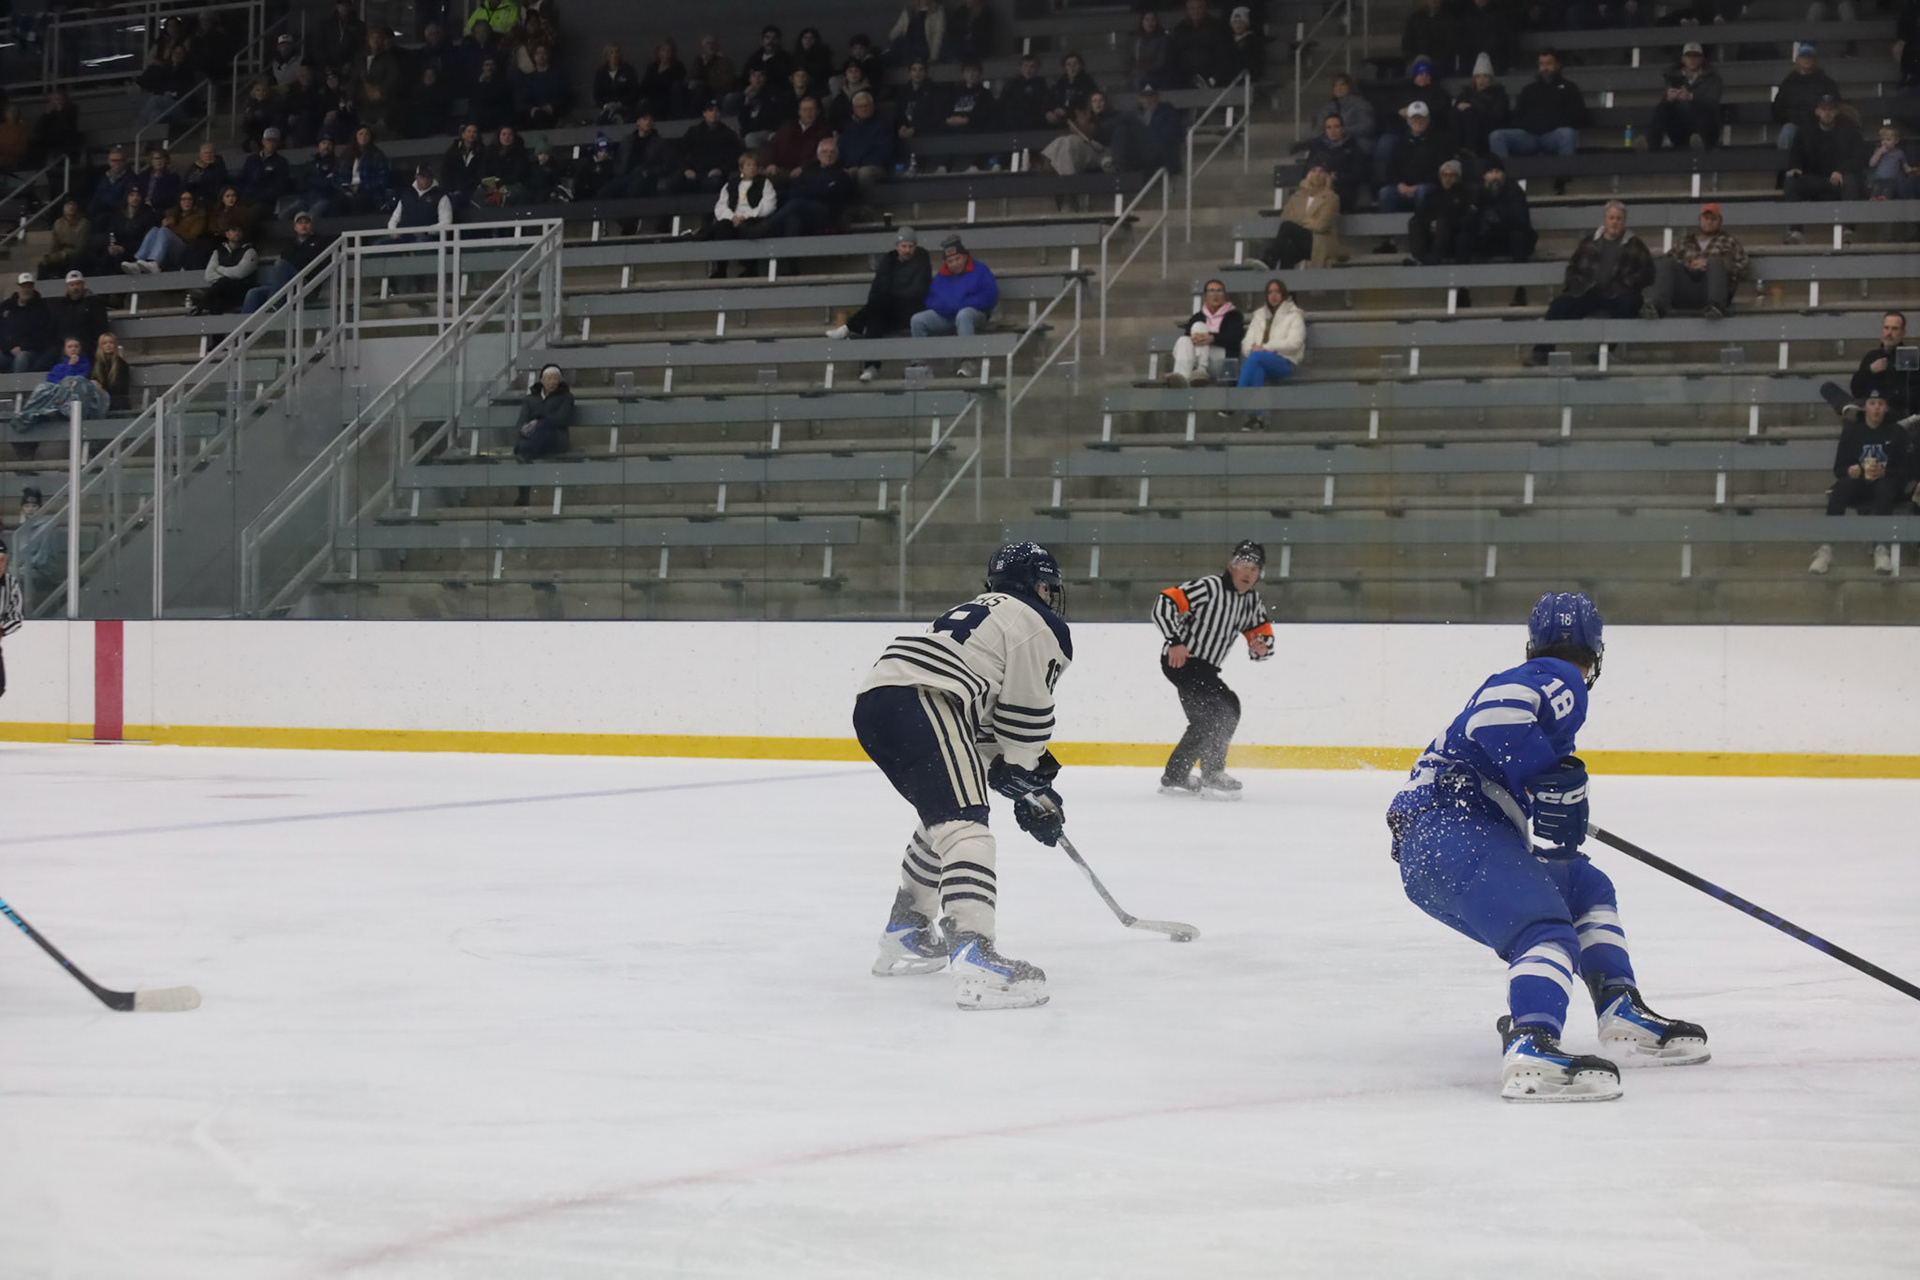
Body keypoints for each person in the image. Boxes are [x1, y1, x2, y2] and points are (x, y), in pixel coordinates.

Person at [1386, 592, 1709, 1102]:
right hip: (1452, 830)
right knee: (1547, 931)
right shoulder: (1559, 676)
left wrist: (1552, 802)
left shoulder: (1540, 677)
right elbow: (1495, 716)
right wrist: (1546, 775)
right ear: (1595, 652)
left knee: (1581, 885)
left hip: (1441, 844)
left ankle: (1620, 1007)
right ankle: (1533, 1044)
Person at [853, 541, 1072, 1010]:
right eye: (1046, 586)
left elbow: (982, 721)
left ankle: (908, 930)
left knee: (944, 818)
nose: (1049, 595)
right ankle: (976, 956)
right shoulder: (1038, 623)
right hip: (924, 701)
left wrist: (1028, 785)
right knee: (967, 830)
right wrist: (1029, 782)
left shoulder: (974, 612)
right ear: (1037, 584)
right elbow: (1024, 720)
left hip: (877, 702)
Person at [1154, 540, 1273, 799]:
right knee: (1219, 712)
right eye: (1243, 566)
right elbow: (1164, 603)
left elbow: (1263, 636)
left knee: (1218, 712)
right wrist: (1175, 641)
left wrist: (1261, 646)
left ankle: (1179, 774)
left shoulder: (1251, 602)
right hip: (1183, 662)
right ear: (1231, 566)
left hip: (1206, 669)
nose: (1248, 573)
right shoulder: (1209, 587)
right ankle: (1210, 772)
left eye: (1254, 569)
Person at [1529, 201, 1654, 366]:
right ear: (1605, 220)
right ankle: (1541, 351)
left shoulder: (1636, 245)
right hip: (1587, 292)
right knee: (1560, 305)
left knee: (1632, 302)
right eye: (1611, 218)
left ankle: (1604, 350)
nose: (1615, 222)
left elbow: (1648, 273)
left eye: (1619, 218)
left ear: (1624, 221)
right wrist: (1576, 284)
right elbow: (1573, 267)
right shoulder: (1589, 242)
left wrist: (1628, 283)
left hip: (1619, 294)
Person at [1809, 389, 1910, 575]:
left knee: (1885, 488)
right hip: (1860, 482)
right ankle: (1826, 549)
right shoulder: (1852, 432)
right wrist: (1849, 471)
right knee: (1840, 488)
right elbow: (1839, 468)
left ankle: (1881, 548)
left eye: (1880, 404)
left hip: (1887, 483)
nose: (1876, 408)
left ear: (1886, 408)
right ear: (1865, 407)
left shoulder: (1897, 432)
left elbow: (1905, 470)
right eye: (1872, 404)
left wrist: (1886, 472)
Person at [829, 226, 932, 381]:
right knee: (875, 318)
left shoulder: (922, 258)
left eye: (911, 246)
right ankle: (871, 367)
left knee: (880, 303)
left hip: (912, 311)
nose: (907, 250)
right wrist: (888, 296)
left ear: (916, 246)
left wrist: (891, 294)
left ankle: (849, 327)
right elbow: (878, 287)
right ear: (897, 246)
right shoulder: (889, 259)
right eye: (904, 246)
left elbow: (917, 290)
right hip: (889, 310)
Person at [912, 234, 998, 378]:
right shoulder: (942, 276)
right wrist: (949, 307)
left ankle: (968, 362)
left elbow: (990, 296)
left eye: (957, 259)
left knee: (964, 314)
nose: (954, 264)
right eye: (950, 261)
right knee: (917, 320)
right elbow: (931, 300)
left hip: (974, 314)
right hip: (947, 316)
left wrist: (960, 305)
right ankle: (918, 366)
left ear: (965, 257)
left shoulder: (980, 270)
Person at [1782, 95, 1866, 239]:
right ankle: (1795, 231)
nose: (1827, 113)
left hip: (1839, 180)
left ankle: (1848, 230)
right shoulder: (1805, 131)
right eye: (1824, 109)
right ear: (1817, 111)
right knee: (1791, 182)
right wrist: (1795, 167)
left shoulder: (1849, 130)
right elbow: (1796, 154)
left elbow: (1858, 158)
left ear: (1836, 111)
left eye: (1831, 109)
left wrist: (1841, 170)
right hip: (1814, 179)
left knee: (1850, 181)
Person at [1646, 203, 1745, 319]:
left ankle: (1716, 307)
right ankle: (1657, 307)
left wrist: (1712, 264)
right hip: (1686, 288)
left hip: (1714, 288)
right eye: (1706, 218)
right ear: (1700, 220)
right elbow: (1668, 262)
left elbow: (1742, 265)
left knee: (1715, 262)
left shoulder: (1729, 242)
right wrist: (1688, 265)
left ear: (1720, 222)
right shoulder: (1684, 242)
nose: (1709, 222)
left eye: (1714, 219)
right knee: (1666, 263)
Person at [1489, 50, 1588, 165]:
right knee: (1497, 136)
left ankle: (1565, 173)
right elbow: (1518, 116)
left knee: (1567, 134)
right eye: (1542, 64)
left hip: (1554, 135)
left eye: (1549, 63)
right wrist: (1531, 124)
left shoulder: (1569, 88)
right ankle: (1502, 173)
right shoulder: (1529, 90)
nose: (1545, 68)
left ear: (1557, 65)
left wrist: (1551, 122)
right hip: (1529, 135)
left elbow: (1579, 115)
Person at [758, 137, 856, 243]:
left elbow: (826, 193)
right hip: (805, 210)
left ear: (836, 156)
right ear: (818, 155)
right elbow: (796, 188)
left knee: (796, 204)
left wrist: (807, 191)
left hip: (827, 213)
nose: (828, 155)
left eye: (832, 152)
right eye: (825, 152)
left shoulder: (841, 175)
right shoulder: (809, 170)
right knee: (793, 217)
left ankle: (763, 228)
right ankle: (789, 251)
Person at [1236, 279, 1304, 427]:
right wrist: (1252, 348)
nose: (1273, 295)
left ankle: (1236, 398)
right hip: (1260, 360)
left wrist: (1265, 348)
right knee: (1258, 369)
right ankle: (1255, 418)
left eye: (1277, 292)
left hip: (1285, 361)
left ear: (1284, 294)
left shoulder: (1294, 315)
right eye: (1270, 292)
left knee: (1256, 358)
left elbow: (1294, 344)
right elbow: (1246, 342)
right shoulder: (1259, 316)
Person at [697, 152, 776, 279]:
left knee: (749, 228)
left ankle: (750, 269)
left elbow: (769, 204)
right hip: (733, 220)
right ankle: (721, 269)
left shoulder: (764, 183)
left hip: (752, 219)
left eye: (754, 165)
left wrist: (747, 216)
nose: (752, 168)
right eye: (748, 165)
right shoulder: (731, 184)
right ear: (741, 168)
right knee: (723, 227)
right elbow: (721, 206)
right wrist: (732, 217)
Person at [1258, 163, 1340, 269]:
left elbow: (1321, 225)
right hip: (1298, 240)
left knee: (1287, 227)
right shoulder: (1297, 197)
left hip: (1317, 241)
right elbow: (1285, 217)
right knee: (1288, 248)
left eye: (1321, 171)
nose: (1317, 174)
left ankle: (1270, 259)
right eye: (1314, 171)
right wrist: (1308, 221)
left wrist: (1298, 223)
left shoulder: (1332, 198)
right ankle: (1283, 275)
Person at [512, 364, 574, 502]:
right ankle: (523, 497)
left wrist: (538, 422)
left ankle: (525, 449)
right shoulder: (530, 399)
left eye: (555, 379)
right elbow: (521, 422)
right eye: (549, 379)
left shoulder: (566, 397)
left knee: (543, 426)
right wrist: (522, 436)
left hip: (556, 438)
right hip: (533, 439)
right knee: (524, 453)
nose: (552, 382)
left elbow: (563, 419)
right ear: (542, 381)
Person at [244, 212, 330, 312]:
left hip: (307, 284)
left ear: (311, 225)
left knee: (280, 264)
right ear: (295, 227)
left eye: (306, 222)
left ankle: (275, 305)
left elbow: (321, 265)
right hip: (287, 285)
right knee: (253, 293)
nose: (303, 225)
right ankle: (245, 321)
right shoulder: (289, 245)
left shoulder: (320, 242)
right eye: (300, 223)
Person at [1166, 279, 1243, 387]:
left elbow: (1234, 339)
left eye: (1219, 291)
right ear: (1205, 296)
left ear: (1224, 295)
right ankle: (1182, 378)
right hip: (1196, 359)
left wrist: (1212, 338)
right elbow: (1188, 340)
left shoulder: (1234, 316)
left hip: (1221, 362)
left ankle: (1201, 370)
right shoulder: (1197, 317)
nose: (1215, 295)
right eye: (1211, 291)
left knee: (1199, 327)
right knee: (1184, 340)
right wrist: (1195, 339)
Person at [1648, 43, 1722, 152]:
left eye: (1695, 56)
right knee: (1662, 109)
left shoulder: (1713, 79)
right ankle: (1651, 144)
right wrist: (1669, 98)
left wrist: (1691, 97)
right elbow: (1663, 102)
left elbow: (1713, 100)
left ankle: (1701, 141)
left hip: (1704, 125)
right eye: (1689, 56)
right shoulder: (1671, 76)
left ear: (1701, 59)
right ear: (1683, 59)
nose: (1692, 59)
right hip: (1680, 125)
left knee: (1704, 109)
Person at [1772, 44, 1838, 154]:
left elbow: (1836, 105)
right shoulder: (1788, 83)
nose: (1806, 60)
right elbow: (1778, 109)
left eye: (1809, 57)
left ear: (1815, 60)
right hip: (1795, 124)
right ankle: (1785, 163)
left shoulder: (1826, 82)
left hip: (1820, 124)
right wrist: (1793, 117)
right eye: (1803, 57)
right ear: (1797, 60)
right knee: (1787, 131)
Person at [1408, 159, 1475, 265]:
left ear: (1458, 177)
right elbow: (1421, 213)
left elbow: (1467, 219)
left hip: (1453, 236)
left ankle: (1435, 257)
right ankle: (1419, 257)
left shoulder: (1465, 195)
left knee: (1442, 221)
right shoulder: (1432, 194)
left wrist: (1444, 222)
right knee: (1414, 222)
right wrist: (1431, 223)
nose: (1447, 179)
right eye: (1444, 175)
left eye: (1451, 175)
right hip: (1433, 234)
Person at [1109, 83, 1184, 174]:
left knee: (1129, 119)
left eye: (1151, 96)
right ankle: (1118, 166)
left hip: (1162, 153)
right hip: (1141, 155)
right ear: (1138, 98)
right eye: (1143, 96)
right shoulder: (1135, 113)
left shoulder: (1167, 110)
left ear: (1158, 97)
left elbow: (1173, 133)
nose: (1147, 99)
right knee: (1121, 128)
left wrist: (1144, 132)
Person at [189, 224, 259, 316]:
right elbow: (209, 276)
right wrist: (229, 275)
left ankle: (200, 306)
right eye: (234, 230)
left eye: (239, 231)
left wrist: (219, 269)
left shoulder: (250, 251)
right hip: (224, 291)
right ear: (227, 234)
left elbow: (240, 273)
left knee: (223, 282)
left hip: (242, 290)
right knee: (217, 301)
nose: (237, 233)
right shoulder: (218, 252)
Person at [1452, 54, 1510, 157]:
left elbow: (1498, 115)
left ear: (1491, 78)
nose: (1481, 80)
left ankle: (1471, 151)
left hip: (1487, 129)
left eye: (1485, 76)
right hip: (1465, 129)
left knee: (1471, 115)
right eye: (1478, 77)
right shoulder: (1466, 94)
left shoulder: (1498, 94)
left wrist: (1474, 108)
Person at [1165, 0, 1233, 88]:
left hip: (1212, 78)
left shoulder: (1217, 27)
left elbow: (1223, 56)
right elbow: (1172, 56)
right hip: (1184, 79)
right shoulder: (1179, 30)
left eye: (1199, 8)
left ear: (1205, 9)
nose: (1196, 12)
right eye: (1192, 8)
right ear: (1187, 11)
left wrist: (1214, 79)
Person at [0, 274, 54, 373]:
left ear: (33, 288)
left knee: (21, 358)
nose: (26, 290)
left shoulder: (42, 308)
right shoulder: (6, 306)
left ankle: (17, 383)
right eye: (23, 287)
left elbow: (43, 334)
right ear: (18, 288)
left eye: (29, 287)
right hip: (7, 350)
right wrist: (8, 347)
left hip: (31, 351)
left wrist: (23, 347)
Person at [49, 272, 108, 358]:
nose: (75, 287)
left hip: (88, 344)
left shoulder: (95, 302)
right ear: (67, 287)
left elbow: (101, 326)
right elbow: (55, 327)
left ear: (83, 285)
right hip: (64, 344)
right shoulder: (60, 305)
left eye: (78, 284)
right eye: (72, 285)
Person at [388, 165, 453, 234]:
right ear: (416, 177)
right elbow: (395, 217)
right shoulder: (407, 194)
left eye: (428, 177)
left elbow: (446, 222)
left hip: (428, 237)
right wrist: (393, 231)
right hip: (403, 235)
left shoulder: (441, 196)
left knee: (421, 240)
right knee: (383, 241)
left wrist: (426, 231)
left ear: (432, 177)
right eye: (422, 177)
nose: (425, 180)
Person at [38, 201, 91, 280]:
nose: (70, 207)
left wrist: (63, 254)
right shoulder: (58, 223)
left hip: (78, 255)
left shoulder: (84, 224)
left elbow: (81, 248)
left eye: (72, 205)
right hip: (62, 254)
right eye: (67, 205)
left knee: (74, 263)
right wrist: (52, 256)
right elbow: (54, 243)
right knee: (43, 264)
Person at [886, 0, 945, 67]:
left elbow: (938, 35)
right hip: (907, 44)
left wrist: (933, 56)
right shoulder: (909, 9)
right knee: (899, 44)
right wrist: (892, 38)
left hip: (923, 47)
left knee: (905, 50)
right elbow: (900, 26)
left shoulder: (936, 11)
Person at [593, 43, 641, 124]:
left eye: (617, 52)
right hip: (607, 108)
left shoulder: (628, 70)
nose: (614, 55)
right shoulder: (601, 73)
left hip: (625, 107)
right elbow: (597, 95)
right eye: (611, 52)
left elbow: (634, 91)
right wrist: (606, 105)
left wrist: (619, 103)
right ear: (607, 56)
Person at [946, 0, 996, 64]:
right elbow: (952, 28)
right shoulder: (961, 11)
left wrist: (971, 34)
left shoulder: (987, 12)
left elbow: (985, 34)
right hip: (961, 41)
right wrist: (965, 33)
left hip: (977, 46)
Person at [1128, 11, 1168, 90]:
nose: (1150, 23)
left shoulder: (1163, 40)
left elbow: (1161, 62)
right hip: (1137, 74)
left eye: (1153, 20)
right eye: (1147, 19)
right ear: (1142, 22)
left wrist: (1144, 69)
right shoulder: (1136, 39)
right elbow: (1129, 59)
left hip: (1156, 75)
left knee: (1138, 82)